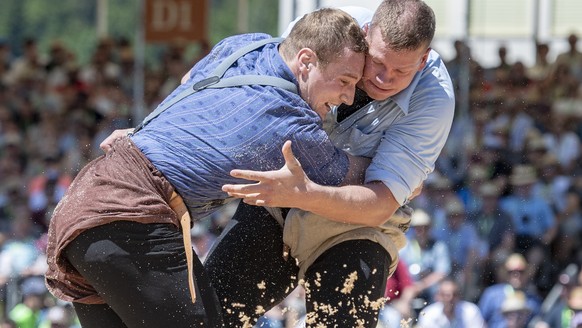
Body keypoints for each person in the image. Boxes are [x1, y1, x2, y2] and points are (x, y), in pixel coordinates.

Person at [45, 8, 369, 328]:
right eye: (345, 80)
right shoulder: (295, 125)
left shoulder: (246, 45)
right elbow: (355, 174)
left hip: (84, 202)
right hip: (130, 212)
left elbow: (191, 82)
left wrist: (150, 131)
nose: (349, 95)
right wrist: (407, 165)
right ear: (306, 61)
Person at [211, 1, 455, 326]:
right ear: (365, 35)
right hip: (281, 199)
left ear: (423, 60)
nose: (384, 78)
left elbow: (379, 205)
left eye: (401, 71)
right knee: (204, 314)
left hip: (358, 224)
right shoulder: (321, 30)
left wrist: (304, 193)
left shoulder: (434, 99)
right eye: (378, 62)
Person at [416, 279, 485, 328]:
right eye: (444, 295)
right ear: (437, 296)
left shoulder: (471, 311)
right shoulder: (428, 314)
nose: (449, 298)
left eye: (454, 294)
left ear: (459, 296)